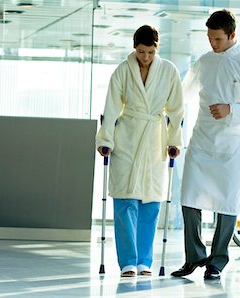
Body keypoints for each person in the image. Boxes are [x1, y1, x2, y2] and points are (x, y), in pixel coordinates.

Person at [170, 9, 240, 280]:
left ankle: (217, 262)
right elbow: (182, 95)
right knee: (189, 198)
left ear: (232, 35)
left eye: (217, 39)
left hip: (231, 145)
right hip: (202, 142)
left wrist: (231, 110)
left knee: (226, 204)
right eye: (209, 38)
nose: (212, 44)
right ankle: (194, 257)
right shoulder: (204, 62)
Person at [96, 24, 184, 277]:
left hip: (154, 139)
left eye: (150, 52)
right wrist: (106, 140)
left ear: (157, 49)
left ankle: (145, 260)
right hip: (127, 137)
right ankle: (127, 262)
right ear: (134, 48)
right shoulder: (123, 71)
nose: (145, 57)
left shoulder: (169, 71)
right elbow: (111, 107)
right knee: (125, 201)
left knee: (151, 203)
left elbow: (176, 110)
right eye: (141, 52)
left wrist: (173, 142)